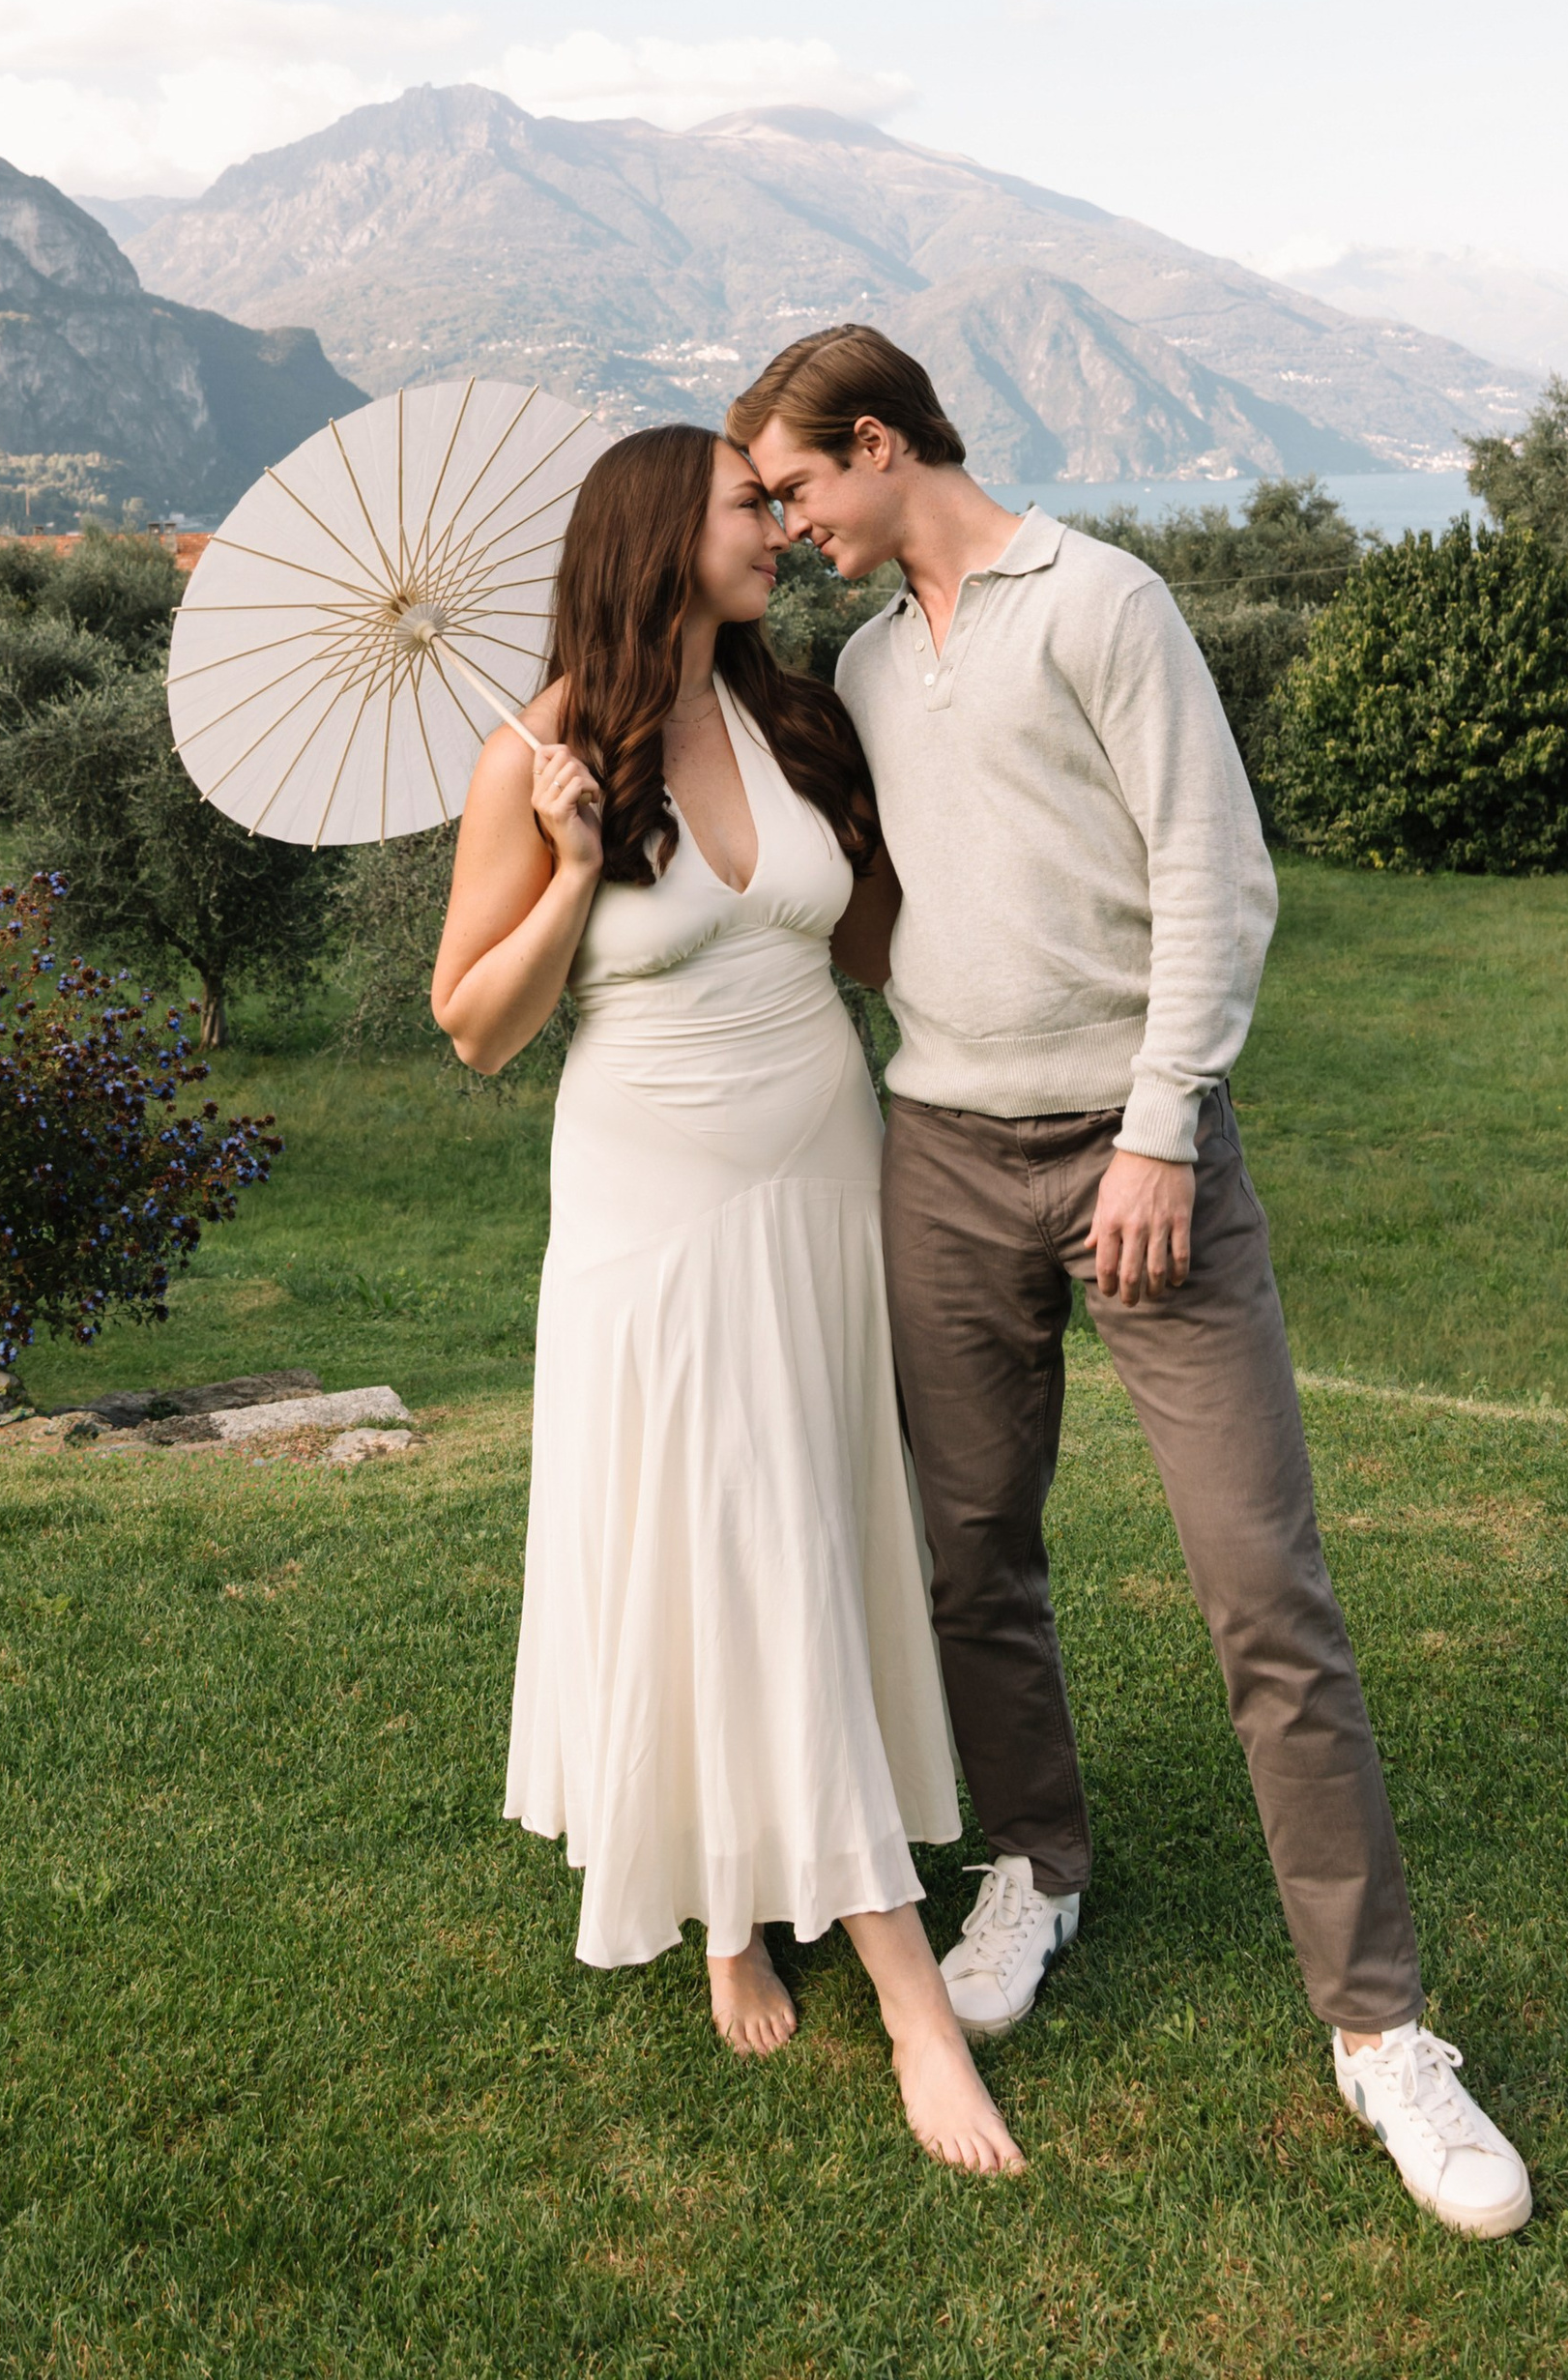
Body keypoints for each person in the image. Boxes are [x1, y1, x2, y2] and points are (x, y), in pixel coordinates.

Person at [731, 328, 1532, 2241]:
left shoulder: (1101, 600)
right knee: (968, 1553)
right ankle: (1038, 1860)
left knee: (1261, 1588)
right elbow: (892, 918)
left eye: (792, 492)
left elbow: (1212, 873)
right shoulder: (856, 660)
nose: (787, 529)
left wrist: (1161, 1125)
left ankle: (1379, 2033)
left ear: (871, 442)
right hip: (936, 1154)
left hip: (1138, 1157)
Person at [431, 423, 1024, 2176]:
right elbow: (477, 1027)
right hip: (658, 1211)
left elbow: (860, 936)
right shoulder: (531, 755)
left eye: (780, 500)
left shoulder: (799, 716)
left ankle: (745, 1896)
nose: (781, 525)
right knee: (737, 1535)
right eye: (748, 507)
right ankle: (910, 2006)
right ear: (650, 537)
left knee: (812, 1539)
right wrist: (560, 859)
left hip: (830, 1182)